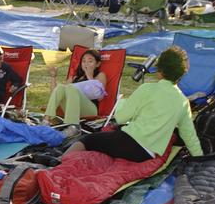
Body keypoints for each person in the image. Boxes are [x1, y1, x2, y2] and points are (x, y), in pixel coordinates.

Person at [65, 46, 203, 162]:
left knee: (87, 140)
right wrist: (199, 159)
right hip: (147, 154)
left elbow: (121, 118)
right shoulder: (183, 102)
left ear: (160, 71)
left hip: (128, 142)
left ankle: (58, 164)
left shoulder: (147, 89)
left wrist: (122, 104)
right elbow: (190, 136)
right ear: (181, 74)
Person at [45, 48, 111, 125]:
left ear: (97, 64)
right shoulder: (75, 77)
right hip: (71, 108)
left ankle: (72, 126)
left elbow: (100, 97)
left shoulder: (100, 75)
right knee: (60, 87)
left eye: (90, 61)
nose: (86, 64)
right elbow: (55, 93)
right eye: (84, 61)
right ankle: (46, 120)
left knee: (71, 87)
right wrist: (53, 77)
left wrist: (90, 76)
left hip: (89, 110)